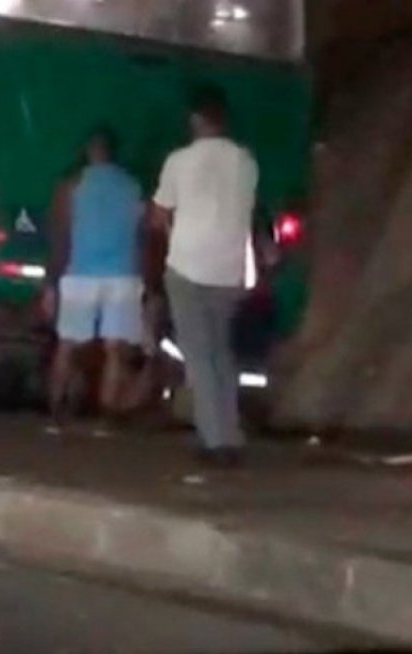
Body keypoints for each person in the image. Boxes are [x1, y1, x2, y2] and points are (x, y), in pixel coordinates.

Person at [152, 85, 258, 466]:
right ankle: (231, 434)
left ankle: (214, 442)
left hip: (188, 266)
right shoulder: (246, 161)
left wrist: (170, 232)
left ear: (196, 119)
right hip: (229, 270)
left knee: (199, 356)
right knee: (222, 355)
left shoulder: (179, 161)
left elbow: (159, 214)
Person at [44, 127, 145, 424]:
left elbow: (60, 235)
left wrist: (51, 282)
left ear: (90, 152)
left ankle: (56, 405)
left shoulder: (73, 186)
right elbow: (141, 236)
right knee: (115, 349)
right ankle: (107, 410)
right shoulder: (133, 187)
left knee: (67, 344)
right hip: (123, 275)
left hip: (81, 275)